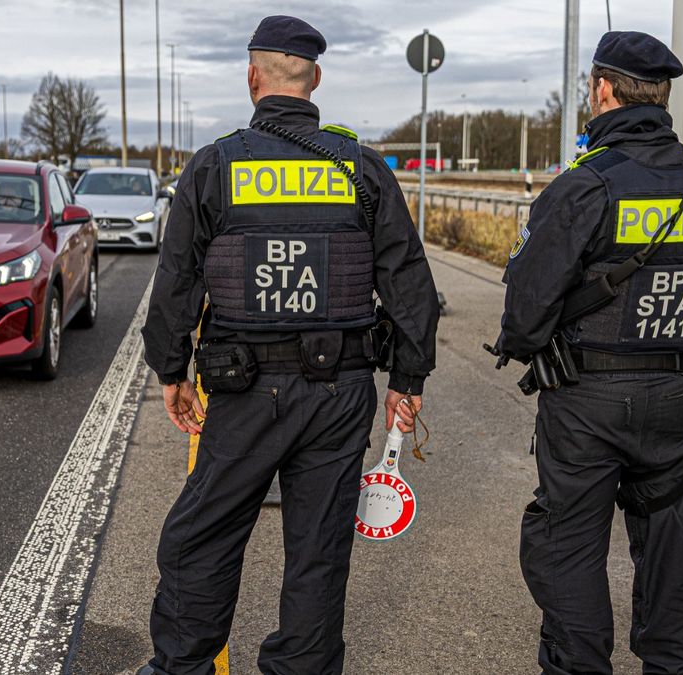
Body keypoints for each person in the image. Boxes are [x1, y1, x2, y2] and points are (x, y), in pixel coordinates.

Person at [138, 15, 441, 675]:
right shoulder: (361, 166)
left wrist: (171, 370)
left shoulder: (216, 165)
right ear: (315, 79)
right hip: (340, 394)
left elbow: (177, 282)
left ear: (254, 78)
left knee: (202, 538)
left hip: (243, 390)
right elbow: (412, 286)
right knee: (318, 550)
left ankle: (183, 666)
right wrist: (407, 382)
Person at [496, 31, 683, 674]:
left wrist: (535, 343)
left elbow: (526, 306)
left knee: (568, 546)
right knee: (666, 547)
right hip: (672, 392)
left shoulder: (585, 184)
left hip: (587, 397)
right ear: (660, 95)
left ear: (603, 90)